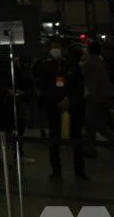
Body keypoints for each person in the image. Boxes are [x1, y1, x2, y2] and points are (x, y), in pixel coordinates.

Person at [37, 39, 87, 180]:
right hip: (54, 107)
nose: (56, 50)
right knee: (54, 138)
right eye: (53, 47)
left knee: (76, 138)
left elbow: (79, 84)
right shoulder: (46, 66)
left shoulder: (72, 65)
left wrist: (70, 99)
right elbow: (44, 86)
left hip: (72, 107)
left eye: (58, 46)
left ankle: (79, 171)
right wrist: (55, 101)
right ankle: (56, 171)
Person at [82, 41, 114, 160]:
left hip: (95, 97)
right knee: (93, 123)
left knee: (95, 123)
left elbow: (92, 81)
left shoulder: (90, 62)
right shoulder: (101, 61)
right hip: (105, 95)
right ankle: (91, 147)